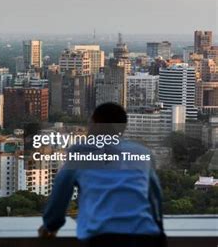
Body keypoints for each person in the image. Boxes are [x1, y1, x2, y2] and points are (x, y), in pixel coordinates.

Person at [39, 102, 165, 247]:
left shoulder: (80, 152)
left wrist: (51, 225)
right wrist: (159, 231)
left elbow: (61, 193)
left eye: (91, 122)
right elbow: (155, 198)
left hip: (102, 237)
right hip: (147, 236)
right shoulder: (142, 153)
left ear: (96, 124)